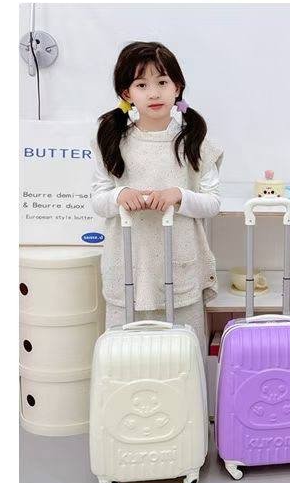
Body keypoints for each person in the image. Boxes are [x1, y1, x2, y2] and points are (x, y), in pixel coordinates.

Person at [90, 41, 222, 355]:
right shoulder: (111, 139)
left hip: (179, 265)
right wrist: (121, 195)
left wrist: (179, 196)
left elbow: (213, 202)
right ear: (127, 94)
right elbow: (98, 199)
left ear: (177, 88)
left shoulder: (195, 140)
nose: (154, 93)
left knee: (182, 355)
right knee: (125, 357)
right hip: (128, 266)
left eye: (162, 82)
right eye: (142, 85)